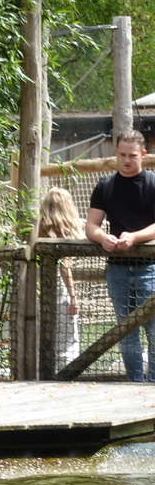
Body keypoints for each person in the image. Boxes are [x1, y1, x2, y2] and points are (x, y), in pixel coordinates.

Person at [85, 129, 155, 382]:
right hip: (117, 268)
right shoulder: (105, 185)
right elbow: (91, 225)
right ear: (115, 153)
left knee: (154, 329)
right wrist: (103, 237)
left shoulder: (153, 183)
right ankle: (135, 381)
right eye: (122, 155)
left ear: (143, 155)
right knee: (126, 329)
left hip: (151, 267)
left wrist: (134, 237)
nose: (127, 160)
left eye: (132, 155)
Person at [38, 187, 82, 370]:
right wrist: (73, 296)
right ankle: (67, 374)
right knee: (65, 337)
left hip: (33, 285)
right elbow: (65, 266)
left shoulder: (35, 227)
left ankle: (36, 372)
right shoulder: (62, 232)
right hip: (56, 288)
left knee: (38, 333)